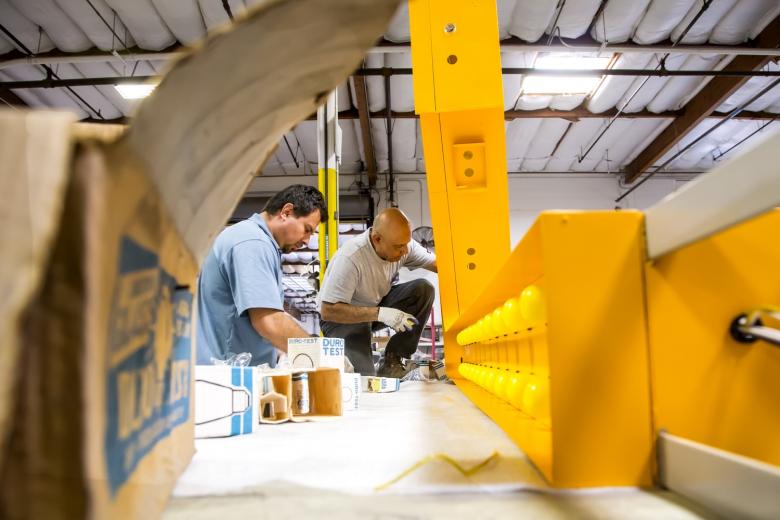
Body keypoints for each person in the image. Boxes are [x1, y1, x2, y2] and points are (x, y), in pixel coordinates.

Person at [196, 184, 326, 366]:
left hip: (235, 373)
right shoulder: (252, 243)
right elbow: (269, 322)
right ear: (286, 212)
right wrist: (321, 355)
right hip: (228, 378)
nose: (307, 240)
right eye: (307, 229)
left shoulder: (258, 241)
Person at [318, 208, 437, 377]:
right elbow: (328, 311)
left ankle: (393, 360)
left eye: (406, 244)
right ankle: (367, 369)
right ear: (377, 239)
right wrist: (381, 314)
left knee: (423, 290)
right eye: (398, 247)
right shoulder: (351, 258)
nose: (405, 251)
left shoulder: (403, 245)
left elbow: (439, 265)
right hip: (341, 318)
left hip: (374, 306)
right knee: (364, 378)